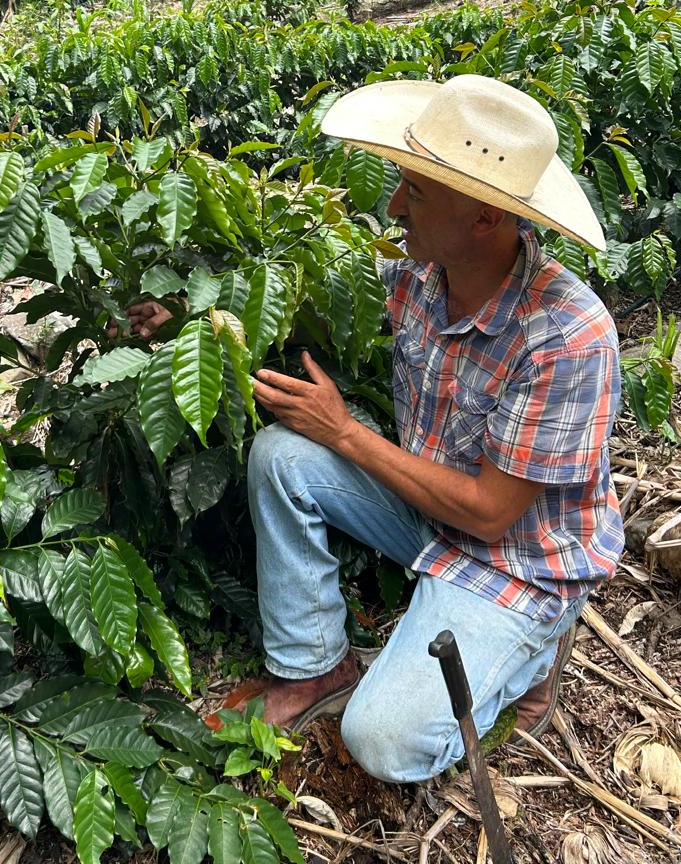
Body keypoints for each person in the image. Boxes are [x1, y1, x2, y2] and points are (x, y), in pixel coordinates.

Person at [130, 75, 624, 783]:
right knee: (281, 454)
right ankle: (312, 669)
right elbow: (310, 302)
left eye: (416, 193)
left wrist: (345, 433)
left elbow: (490, 515)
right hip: (430, 515)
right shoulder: (422, 278)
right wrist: (188, 319)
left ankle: (530, 659)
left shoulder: (567, 339)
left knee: (384, 743)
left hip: (516, 564)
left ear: (487, 217)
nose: (393, 206)